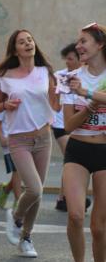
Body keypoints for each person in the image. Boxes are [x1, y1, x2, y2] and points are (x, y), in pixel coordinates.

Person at [0, 29, 59, 258]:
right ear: (15, 49)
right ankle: (17, 218)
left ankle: (26, 237)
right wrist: (6, 106)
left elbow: (55, 102)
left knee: (37, 194)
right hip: (19, 139)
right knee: (35, 188)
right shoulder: (4, 75)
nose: (28, 43)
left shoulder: (45, 71)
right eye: (22, 42)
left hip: (43, 137)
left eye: (30, 39)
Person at [63, 22, 106, 262]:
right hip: (77, 149)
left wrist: (87, 94)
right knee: (76, 215)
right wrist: (89, 105)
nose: (78, 46)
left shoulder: (84, 86)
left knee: (99, 226)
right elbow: (68, 125)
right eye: (77, 42)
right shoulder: (70, 78)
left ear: (100, 45)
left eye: (84, 41)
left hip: (104, 152)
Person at [52, 43, 83, 212]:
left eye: (70, 59)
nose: (67, 62)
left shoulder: (87, 75)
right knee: (71, 157)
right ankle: (68, 197)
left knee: (70, 160)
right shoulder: (61, 75)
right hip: (60, 124)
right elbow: (56, 104)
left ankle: (63, 197)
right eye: (66, 59)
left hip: (78, 124)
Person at [0, 111, 22, 209]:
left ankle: (6, 189)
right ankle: (18, 200)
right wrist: (1, 138)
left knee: (21, 172)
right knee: (17, 170)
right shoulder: (6, 97)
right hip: (9, 140)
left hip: (26, 139)